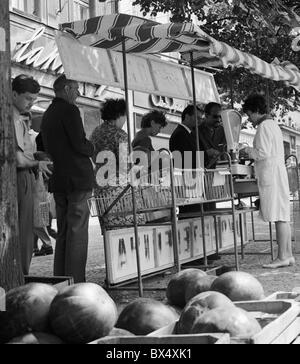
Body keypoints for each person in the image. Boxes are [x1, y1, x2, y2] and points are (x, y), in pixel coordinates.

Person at [40, 74, 95, 283]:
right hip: (78, 179)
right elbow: (80, 144)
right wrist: (92, 147)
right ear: (65, 89)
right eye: (76, 88)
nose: (79, 93)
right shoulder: (70, 110)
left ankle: (61, 279)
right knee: (77, 232)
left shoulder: (48, 113)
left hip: (59, 180)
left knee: (63, 231)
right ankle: (76, 282)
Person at [241, 94, 295, 269]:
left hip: (271, 175)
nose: (249, 119)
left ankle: (282, 257)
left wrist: (247, 149)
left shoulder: (264, 126)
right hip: (277, 174)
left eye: (249, 114)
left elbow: (261, 153)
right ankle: (287, 255)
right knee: (283, 216)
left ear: (256, 111)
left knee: (278, 216)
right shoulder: (273, 125)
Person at [12, 75, 53, 275]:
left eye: (34, 100)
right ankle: (21, 276)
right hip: (21, 178)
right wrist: (38, 162)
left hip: (26, 176)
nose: (31, 103)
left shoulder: (21, 117)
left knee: (27, 232)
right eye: (28, 98)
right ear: (13, 94)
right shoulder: (13, 118)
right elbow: (19, 160)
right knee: (24, 235)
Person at [90, 98, 145, 229]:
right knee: (128, 232)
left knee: (110, 234)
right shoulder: (120, 135)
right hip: (120, 192)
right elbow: (125, 165)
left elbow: (92, 156)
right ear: (119, 115)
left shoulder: (95, 133)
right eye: (125, 116)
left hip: (101, 188)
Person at [21, 112, 53, 257]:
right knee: (37, 212)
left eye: (26, 121)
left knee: (39, 212)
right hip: (33, 175)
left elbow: (40, 155)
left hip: (37, 175)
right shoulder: (28, 136)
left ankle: (46, 244)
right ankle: (37, 244)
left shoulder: (34, 136)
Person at [169, 104, 204, 170]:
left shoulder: (188, 133)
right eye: (197, 118)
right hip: (186, 175)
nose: (200, 121)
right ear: (187, 117)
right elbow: (185, 159)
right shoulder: (180, 134)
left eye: (201, 119)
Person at [198, 102, 226, 168]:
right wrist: (207, 153)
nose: (219, 120)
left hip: (220, 171)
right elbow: (189, 156)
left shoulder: (223, 131)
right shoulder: (196, 130)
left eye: (220, 117)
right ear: (206, 115)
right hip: (201, 171)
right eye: (215, 116)